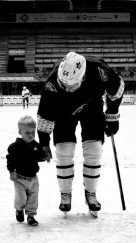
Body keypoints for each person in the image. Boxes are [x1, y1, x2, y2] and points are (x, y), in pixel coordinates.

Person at [37, 51, 124, 213]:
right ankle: (65, 194)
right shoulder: (52, 83)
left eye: (70, 85)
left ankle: (90, 192)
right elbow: (45, 113)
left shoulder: (99, 70)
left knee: (94, 150)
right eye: (64, 84)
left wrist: (112, 116)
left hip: (92, 106)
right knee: (64, 151)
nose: (66, 88)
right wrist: (43, 142)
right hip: (63, 110)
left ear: (83, 77)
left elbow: (117, 88)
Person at [6, 115, 45, 226]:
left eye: (33, 132)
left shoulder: (35, 145)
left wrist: (43, 156)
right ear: (20, 132)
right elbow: (11, 159)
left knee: (33, 198)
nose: (31, 135)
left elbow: (38, 156)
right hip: (19, 178)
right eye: (27, 133)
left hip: (33, 178)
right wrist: (11, 171)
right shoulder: (15, 146)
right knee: (21, 198)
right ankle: (19, 209)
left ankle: (31, 216)